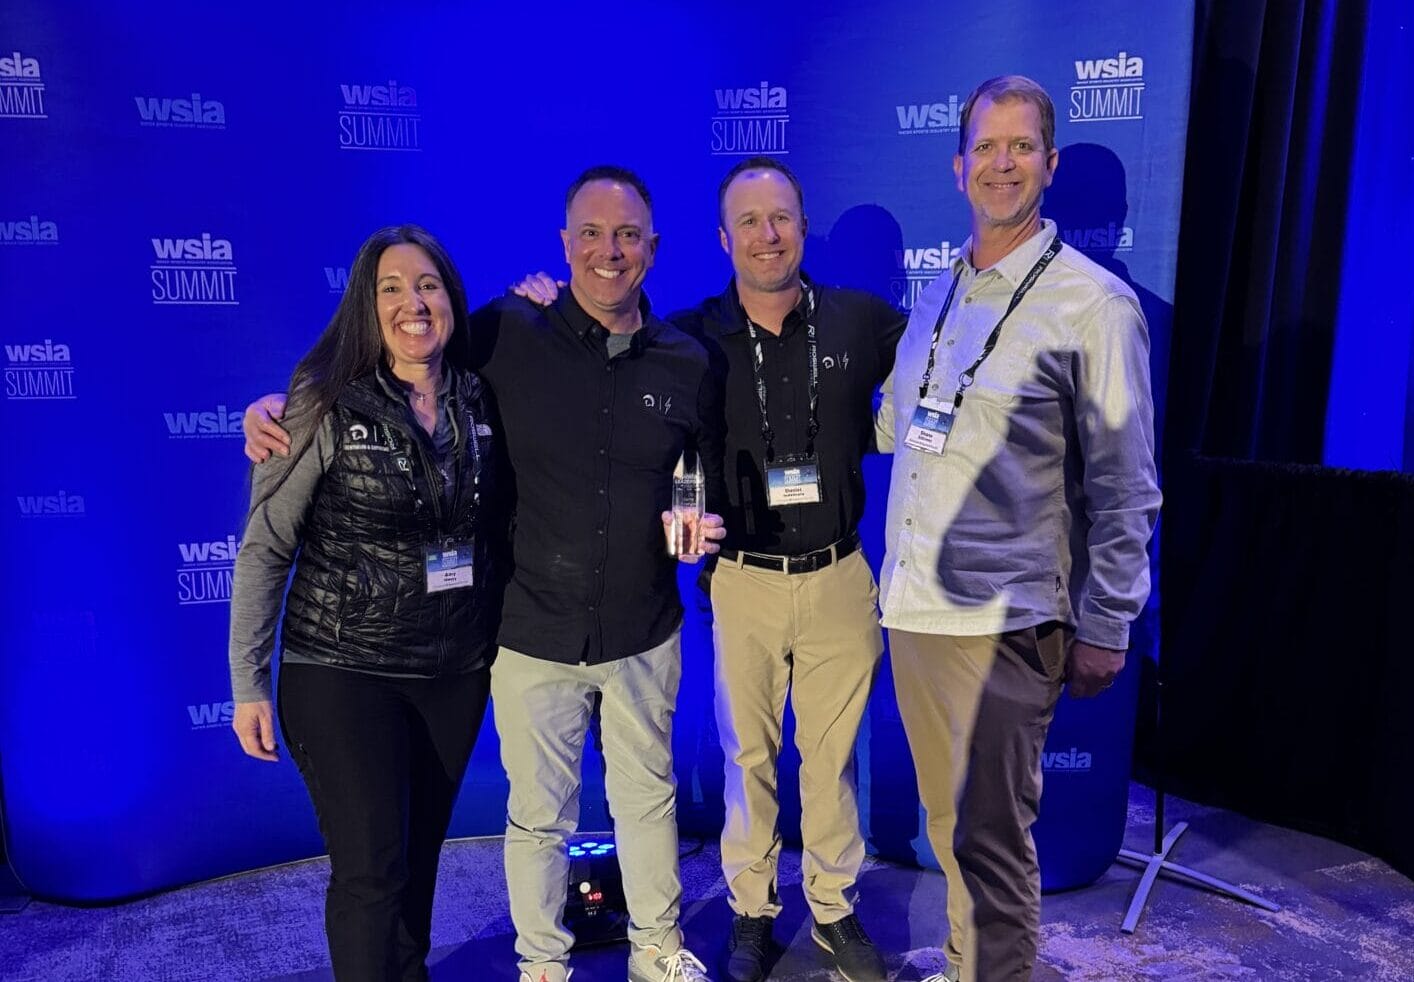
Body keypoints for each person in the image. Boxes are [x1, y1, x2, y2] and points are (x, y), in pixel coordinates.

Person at [244, 167, 724, 982]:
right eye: (592, 234)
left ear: (654, 246)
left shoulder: (685, 361)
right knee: (530, 819)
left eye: (628, 235)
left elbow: (699, 473)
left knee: (645, 802)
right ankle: (542, 963)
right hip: (519, 630)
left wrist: (701, 523)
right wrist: (280, 407)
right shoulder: (506, 330)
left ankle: (655, 952)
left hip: (636, 625)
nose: (610, 252)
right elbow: (392, 356)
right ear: (565, 244)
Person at [513, 156, 904, 982]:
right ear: (724, 239)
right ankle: (752, 911)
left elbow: (946, 369)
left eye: (783, 217)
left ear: (803, 225)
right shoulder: (688, 338)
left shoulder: (862, 321)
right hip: (742, 579)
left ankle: (834, 910)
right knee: (749, 760)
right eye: (750, 222)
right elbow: (612, 358)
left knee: (831, 761)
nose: (769, 235)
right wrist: (539, 302)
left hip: (838, 575)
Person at [874, 76, 1162, 982]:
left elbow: (1126, 486)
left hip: (1006, 621)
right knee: (952, 829)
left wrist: (1108, 622)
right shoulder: (939, 293)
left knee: (992, 843)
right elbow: (896, 425)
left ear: (1050, 163)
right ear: (960, 168)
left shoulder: (1093, 306)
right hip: (916, 609)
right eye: (987, 149)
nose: (1002, 164)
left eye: (1021, 147)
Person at [229, 225, 505, 982]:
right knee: (371, 870)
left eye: (428, 285)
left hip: (452, 673)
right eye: (391, 288)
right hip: (342, 670)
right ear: (364, 305)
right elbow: (265, 548)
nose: (413, 303)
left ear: (451, 298)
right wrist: (247, 682)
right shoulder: (320, 401)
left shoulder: (480, 393)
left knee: (415, 868)